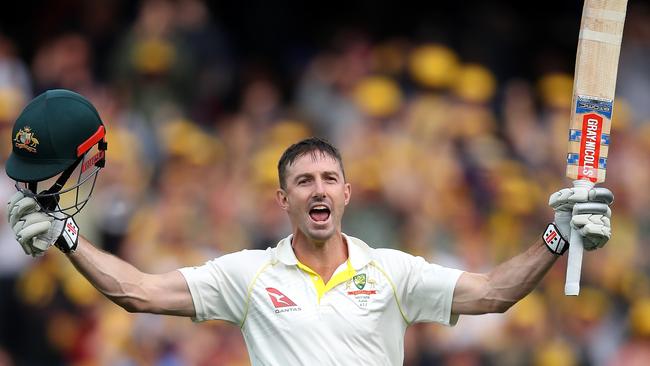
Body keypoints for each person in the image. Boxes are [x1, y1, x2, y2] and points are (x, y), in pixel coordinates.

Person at [6, 91, 613, 365]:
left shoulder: (392, 272)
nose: (318, 189)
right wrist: (66, 235)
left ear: (347, 193)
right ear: (283, 199)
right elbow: (137, 291)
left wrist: (556, 237)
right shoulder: (248, 274)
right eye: (303, 181)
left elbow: (494, 292)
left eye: (329, 178)